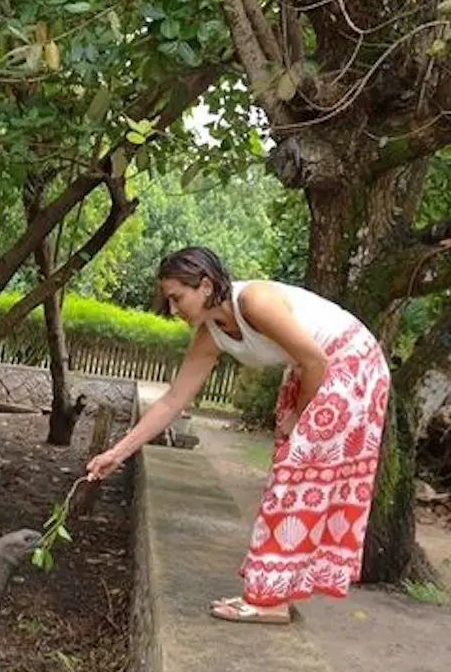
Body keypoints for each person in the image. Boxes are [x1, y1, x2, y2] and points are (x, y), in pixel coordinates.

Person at [86, 246, 391, 623]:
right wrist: (118, 452)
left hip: (351, 364)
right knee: (291, 477)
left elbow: (316, 359)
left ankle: (270, 600)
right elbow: (173, 401)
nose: (173, 309)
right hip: (312, 369)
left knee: (295, 477)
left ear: (205, 284)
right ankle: (276, 590)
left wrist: (299, 414)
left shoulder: (254, 301)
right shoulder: (210, 334)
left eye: (177, 298)